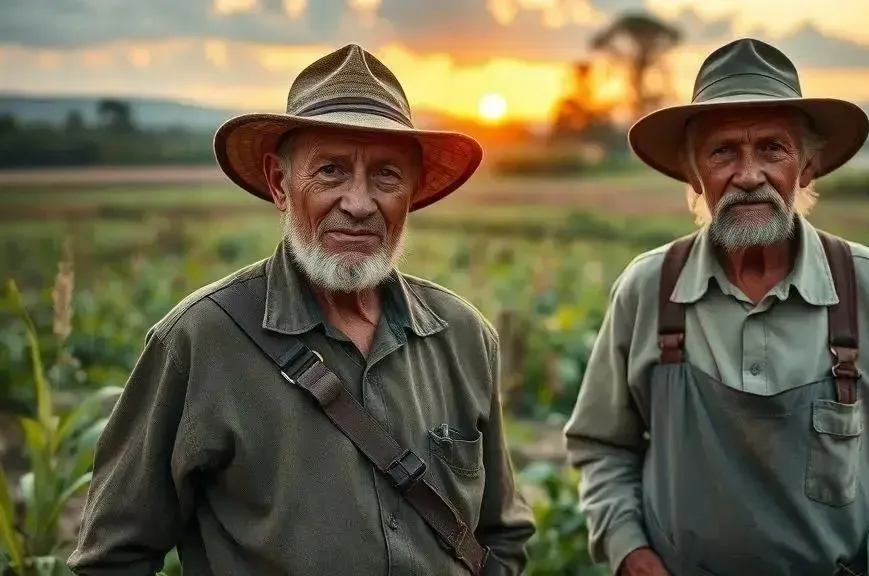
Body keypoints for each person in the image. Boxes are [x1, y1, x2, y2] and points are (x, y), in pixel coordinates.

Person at [67, 44, 535, 576]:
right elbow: (114, 556)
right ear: (279, 183)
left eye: (386, 176)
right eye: (331, 171)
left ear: (411, 193)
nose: (359, 204)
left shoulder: (465, 336)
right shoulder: (199, 341)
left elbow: (502, 536)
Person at [563, 38, 869, 576]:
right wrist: (630, 551)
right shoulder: (649, 288)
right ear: (693, 175)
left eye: (772, 149)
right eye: (723, 153)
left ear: (806, 168)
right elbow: (602, 445)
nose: (749, 174)